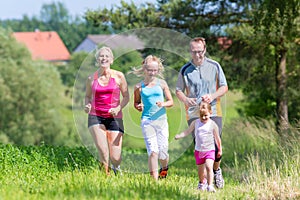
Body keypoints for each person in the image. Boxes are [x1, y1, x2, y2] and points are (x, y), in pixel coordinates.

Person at [176, 37, 228, 188]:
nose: (197, 55)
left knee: (216, 147)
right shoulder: (185, 69)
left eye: (200, 51)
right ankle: (204, 180)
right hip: (194, 114)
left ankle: (216, 171)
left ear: (204, 50)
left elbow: (224, 87)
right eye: (194, 52)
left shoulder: (214, 65)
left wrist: (212, 96)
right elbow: (178, 90)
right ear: (190, 51)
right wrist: (186, 99)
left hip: (213, 112)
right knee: (200, 147)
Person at [84, 46, 129, 176]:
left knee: (115, 157)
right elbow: (87, 96)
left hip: (115, 117)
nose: (104, 58)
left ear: (112, 60)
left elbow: (126, 97)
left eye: (106, 56)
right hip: (95, 116)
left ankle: (116, 167)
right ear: (97, 60)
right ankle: (105, 177)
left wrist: (118, 108)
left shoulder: (119, 76)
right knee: (103, 151)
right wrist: (87, 105)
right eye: (101, 56)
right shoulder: (91, 78)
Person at [132, 55, 173, 180]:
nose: (152, 73)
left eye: (155, 70)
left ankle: (164, 168)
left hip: (161, 121)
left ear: (158, 70)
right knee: (153, 151)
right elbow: (136, 103)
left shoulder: (162, 84)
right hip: (147, 121)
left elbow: (171, 101)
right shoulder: (138, 87)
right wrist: (138, 106)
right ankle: (154, 181)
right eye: (150, 70)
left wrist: (163, 104)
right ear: (144, 69)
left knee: (163, 153)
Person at [175, 101, 222, 192]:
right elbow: (187, 131)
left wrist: (220, 150)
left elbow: (217, 139)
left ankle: (210, 185)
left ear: (210, 113)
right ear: (198, 114)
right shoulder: (196, 123)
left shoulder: (212, 125)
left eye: (206, 116)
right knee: (201, 172)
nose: (204, 118)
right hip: (199, 151)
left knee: (209, 167)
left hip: (210, 150)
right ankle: (201, 183)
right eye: (201, 116)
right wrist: (180, 135)